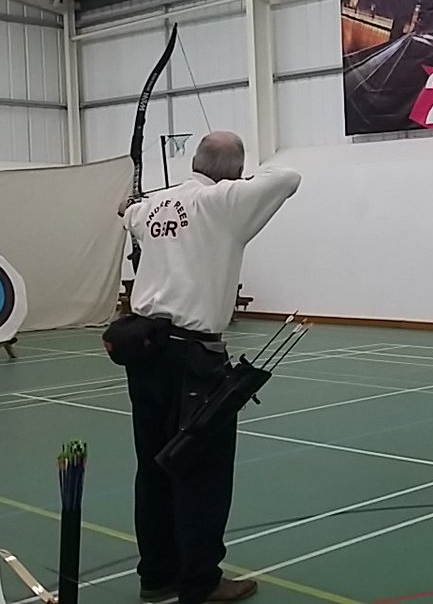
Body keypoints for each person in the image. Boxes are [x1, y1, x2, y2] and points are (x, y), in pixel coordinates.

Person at [117, 131, 301, 604]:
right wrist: (233, 186)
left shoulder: (154, 207)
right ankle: (200, 582)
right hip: (192, 361)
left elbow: (128, 214)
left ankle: (156, 577)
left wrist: (137, 203)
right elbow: (288, 177)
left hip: (145, 353)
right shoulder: (222, 202)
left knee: (154, 467)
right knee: (199, 471)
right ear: (233, 172)